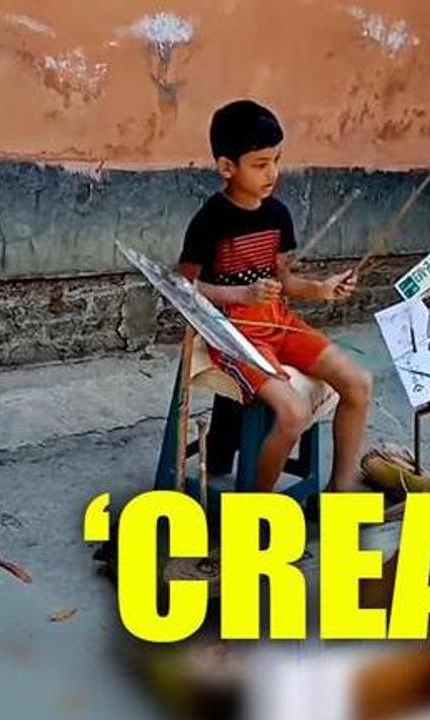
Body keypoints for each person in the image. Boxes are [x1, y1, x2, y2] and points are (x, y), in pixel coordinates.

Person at [178, 99, 373, 494]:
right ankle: (257, 510)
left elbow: (284, 281)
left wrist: (321, 289)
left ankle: (341, 488)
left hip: (277, 321)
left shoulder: (277, 214)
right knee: (293, 412)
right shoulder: (210, 220)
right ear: (227, 167)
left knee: (359, 383)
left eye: (277, 160)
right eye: (260, 164)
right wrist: (242, 293)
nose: (273, 173)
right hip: (234, 336)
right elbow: (184, 290)